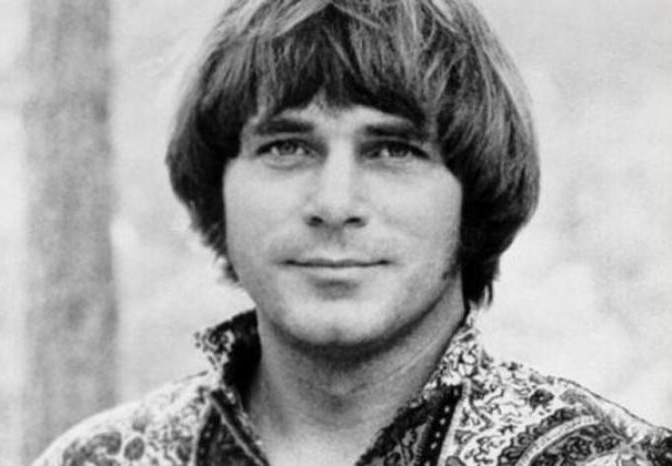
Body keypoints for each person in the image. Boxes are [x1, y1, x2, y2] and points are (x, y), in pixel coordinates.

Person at [33, 0, 672, 465]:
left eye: (392, 150)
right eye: (287, 147)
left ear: (472, 193)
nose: (335, 204)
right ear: (217, 188)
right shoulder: (106, 458)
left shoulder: (609, 459)